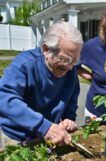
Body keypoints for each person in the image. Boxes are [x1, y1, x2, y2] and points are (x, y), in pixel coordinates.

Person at [0, 21, 83, 150]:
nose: (70, 66)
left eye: (75, 60)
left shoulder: (70, 71)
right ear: (46, 49)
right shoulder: (25, 65)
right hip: (16, 138)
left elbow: (72, 99)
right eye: (64, 59)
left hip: (47, 138)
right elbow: (4, 98)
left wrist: (68, 119)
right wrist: (44, 126)